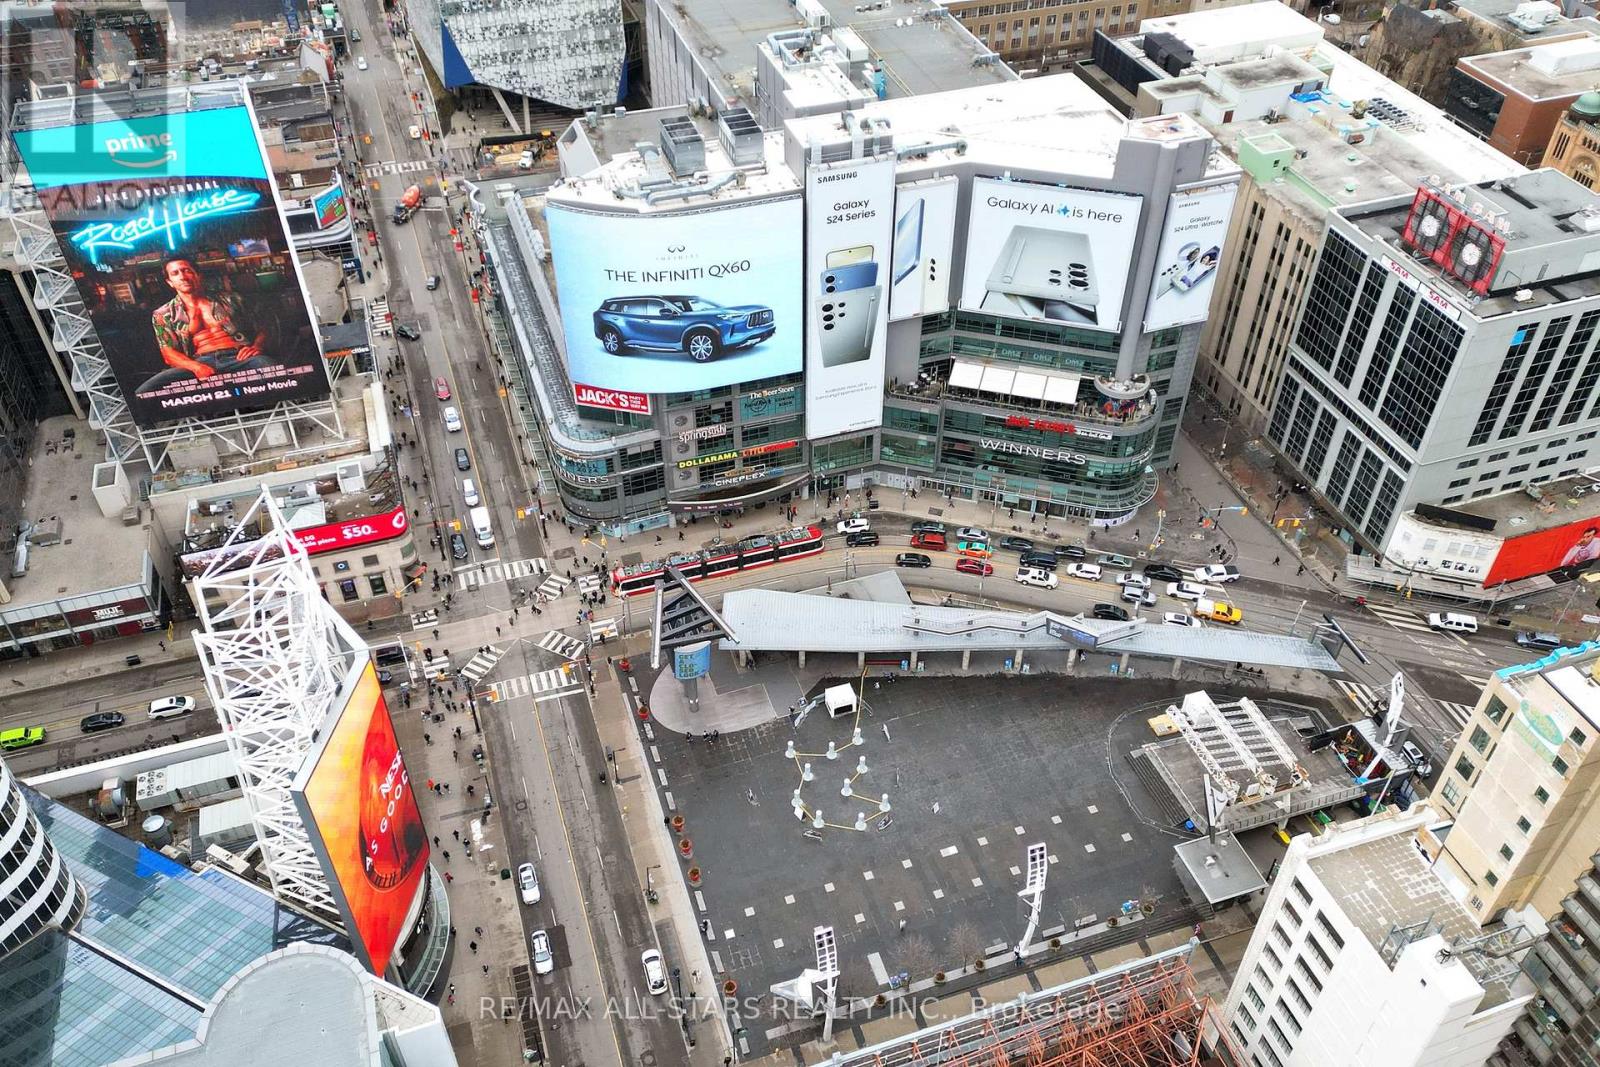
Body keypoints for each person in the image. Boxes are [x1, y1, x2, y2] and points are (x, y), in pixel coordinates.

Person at [139, 259, 274, 395]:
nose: (183, 277)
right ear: (170, 282)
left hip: (239, 357)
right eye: (175, 273)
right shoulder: (163, 314)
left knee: (272, 370)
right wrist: (197, 367)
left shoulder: (232, 299)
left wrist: (257, 346)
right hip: (197, 362)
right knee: (145, 392)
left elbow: (264, 327)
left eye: (187, 271)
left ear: (199, 275)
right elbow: (168, 353)